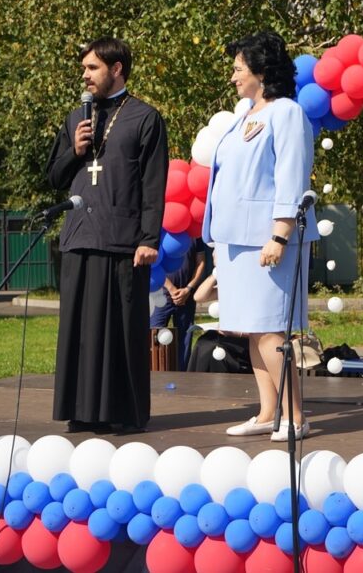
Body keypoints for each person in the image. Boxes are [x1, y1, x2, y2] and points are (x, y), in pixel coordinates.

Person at [46, 36, 168, 433]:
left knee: (120, 330)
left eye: (92, 68)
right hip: (80, 235)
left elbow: (153, 184)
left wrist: (149, 239)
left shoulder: (144, 117)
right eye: (84, 68)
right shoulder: (74, 118)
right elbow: (54, 176)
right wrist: (75, 151)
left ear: (116, 69)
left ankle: (123, 412)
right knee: (79, 332)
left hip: (123, 240)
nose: (85, 75)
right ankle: (81, 410)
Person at [202, 30, 319, 441]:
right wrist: (217, 248)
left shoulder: (286, 112)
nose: (233, 77)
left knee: (272, 330)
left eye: (238, 68)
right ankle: (269, 412)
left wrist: (281, 235)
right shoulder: (244, 117)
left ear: (261, 71)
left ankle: (296, 415)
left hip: (267, 241)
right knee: (252, 329)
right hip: (236, 241)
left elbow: (291, 175)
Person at [149, 238, 206, 369]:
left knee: (185, 338)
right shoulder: (161, 232)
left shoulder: (195, 235)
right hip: (160, 294)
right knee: (154, 335)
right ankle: (154, 374)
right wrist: (171, 288)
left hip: (187, 295)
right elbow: (155, 263)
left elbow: (201, 262)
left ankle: (183, 376)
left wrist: (189, 288)